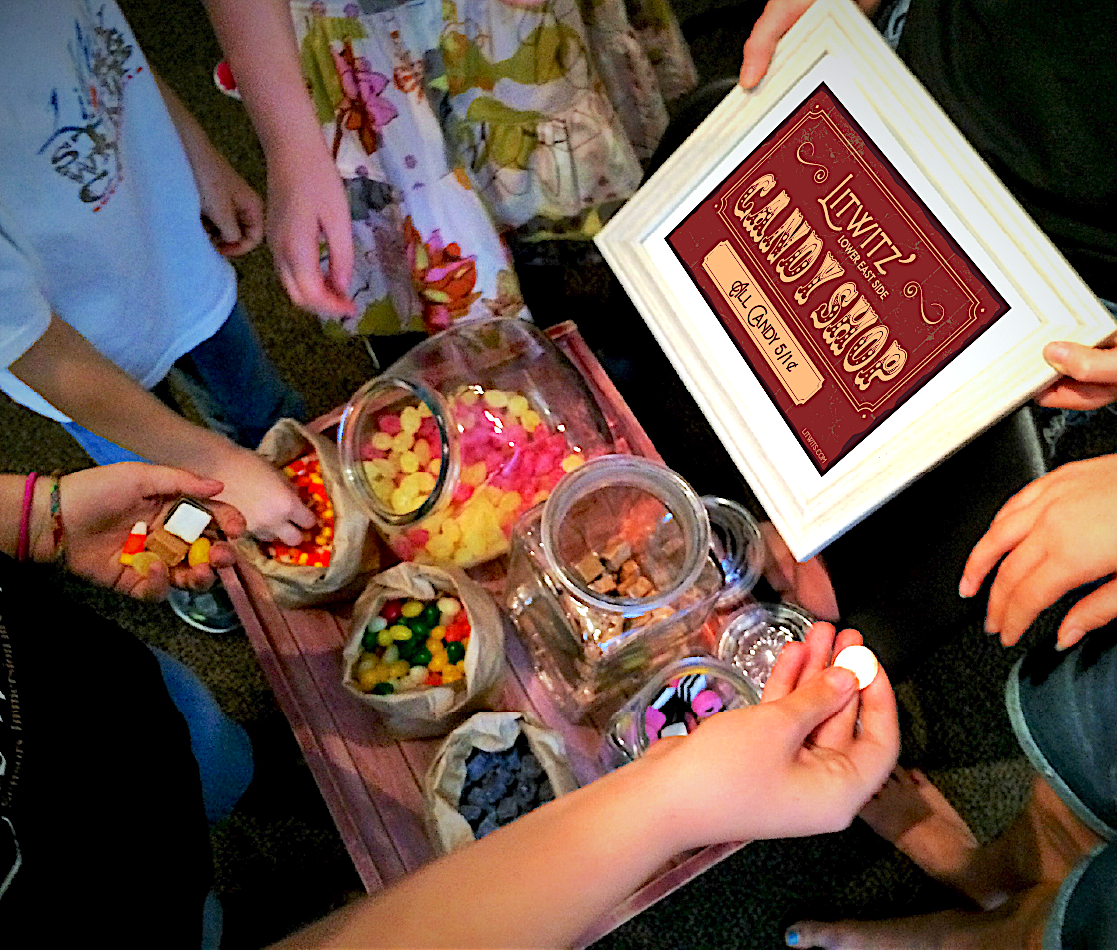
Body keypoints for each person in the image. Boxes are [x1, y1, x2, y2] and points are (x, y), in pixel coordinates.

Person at [0, 461, 900, 946]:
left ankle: (251, 781)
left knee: (211, 750)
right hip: (115, 905)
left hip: (107, 693)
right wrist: (672, 797)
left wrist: (28, 515)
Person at [0, 0, 316, 546]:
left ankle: (299, 503)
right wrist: (223, 464)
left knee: (264, 412)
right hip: (75, 361)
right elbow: (35, 350)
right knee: (169, 504)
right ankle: (210, 577)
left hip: (173, 257)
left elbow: (107, 51)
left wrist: (198, 154)